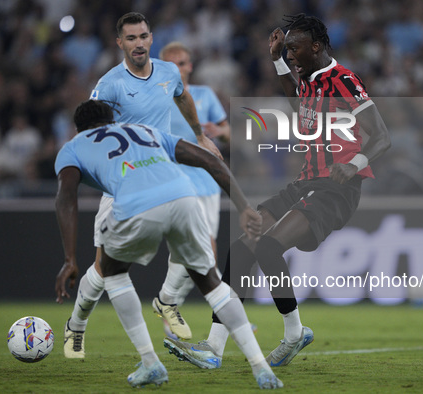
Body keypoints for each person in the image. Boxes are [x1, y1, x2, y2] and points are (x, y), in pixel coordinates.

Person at [163, 13, 391, 369]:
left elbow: (381, 135)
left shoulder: (343, 80)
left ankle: (293, 332)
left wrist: (355, 163)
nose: (292, 55)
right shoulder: (311, 82)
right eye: (288, 50)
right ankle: (214, 348)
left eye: (295, 49)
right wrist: (276, 61)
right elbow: (297, 105)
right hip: (304, 183)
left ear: (316, 46)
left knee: (268, 247)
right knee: (241, 250)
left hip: (335, 188)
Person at [54, 99, 283, 389]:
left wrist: (69, 258)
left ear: (78, 129)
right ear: (112, 121)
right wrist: (245, 207)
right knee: (211, 282)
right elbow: (210, 161)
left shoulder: (73, 147)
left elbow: (66, 198)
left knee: (111, 271)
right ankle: (261, 369)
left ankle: (150, 363)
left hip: (136, 203)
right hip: (184, 197)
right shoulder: (144, 130)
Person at [56, 12, 221, 358]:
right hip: (124, 186)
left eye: (143, 36)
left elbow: (182, 97)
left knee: (199, 247)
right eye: (130, 38)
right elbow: (89, 130)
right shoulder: (110, 84)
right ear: (120, 44)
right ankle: (77, 324)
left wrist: (200, 135)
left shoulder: (168, 72)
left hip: (164, 175)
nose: (138, 44)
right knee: (104, 270)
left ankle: (168, 302)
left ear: (151, 38)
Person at [152, 41, 231, 337]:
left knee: (191, 255)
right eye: (173, 65)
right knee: (204, 250)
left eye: (183, 63)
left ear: (191, 65)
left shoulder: (204, 95)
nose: (180, 69)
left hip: (208, 184)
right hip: (174, 184)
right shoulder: (155, 99)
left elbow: (228, 134)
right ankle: (228, 315)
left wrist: (219, 131)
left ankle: (169, 306)